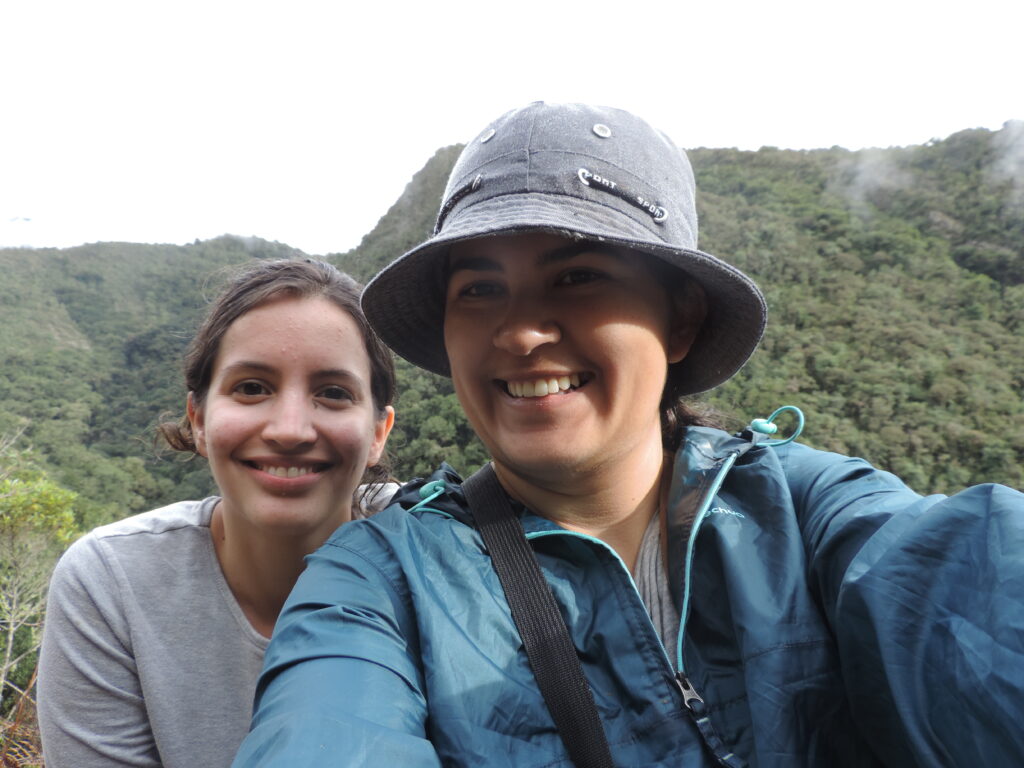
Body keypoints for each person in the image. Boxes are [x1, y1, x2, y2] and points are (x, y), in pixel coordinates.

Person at [233, 103, 1024, 766]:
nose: (520, 332)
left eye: (578, 275)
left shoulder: (809, 516)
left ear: (679, 320)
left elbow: (969, 585)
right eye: (480, 288)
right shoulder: (382, 585)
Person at [37, 259, 397, 768]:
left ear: (378, 432)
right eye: (252, 387)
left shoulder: (441, 554)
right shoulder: (112, 582)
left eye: (333, 393)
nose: (290, 429)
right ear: (199, 420)